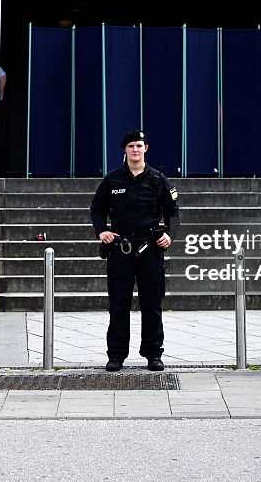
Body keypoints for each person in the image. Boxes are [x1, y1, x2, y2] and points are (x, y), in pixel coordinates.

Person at [90, 129, 179, 372]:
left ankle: (153, 354)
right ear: (125, 150)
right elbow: (97, 209)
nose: (135, 150)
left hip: (150, 249)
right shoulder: (113, 179)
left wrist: (170, 235)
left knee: (151, 304)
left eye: (139, 145)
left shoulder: (158, 179)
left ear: (145, 149)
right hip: (121, 249)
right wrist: (101, 231)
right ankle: (116, 355)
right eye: (131, 146)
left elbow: (173, 211)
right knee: (119, 304)